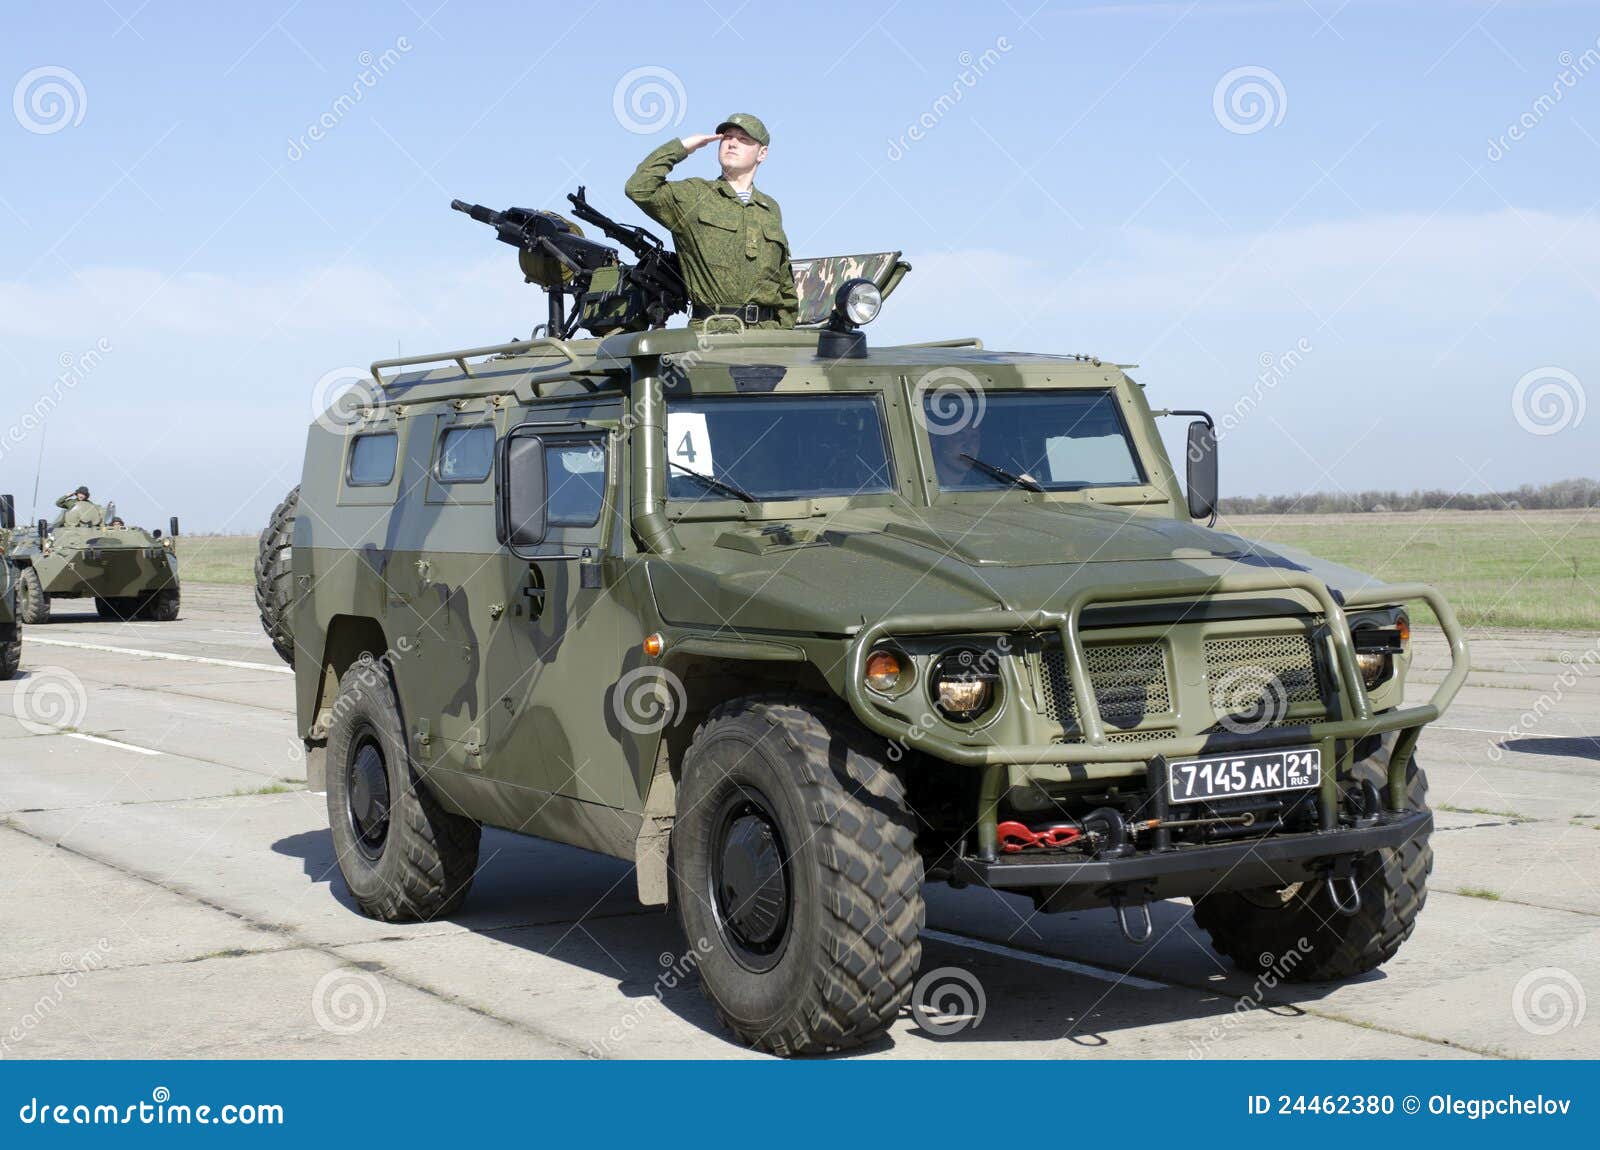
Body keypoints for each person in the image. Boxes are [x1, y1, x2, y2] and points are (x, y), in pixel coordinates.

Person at [625, 113, 798, 330]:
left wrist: (785, 329)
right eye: (727, 137)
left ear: (762, 153)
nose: (732, 143)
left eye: (744, 139)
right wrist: (683, 147)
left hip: (767, 334)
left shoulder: (769, 208)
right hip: (710, 333)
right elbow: (639, 187)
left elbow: (783, 278)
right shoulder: (694, 196)